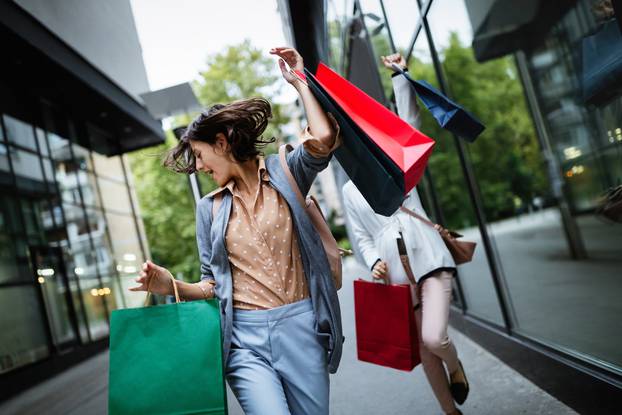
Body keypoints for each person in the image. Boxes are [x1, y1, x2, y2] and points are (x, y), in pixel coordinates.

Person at [130, 46, 342, 415]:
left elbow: (323, 139)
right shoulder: (209, 209)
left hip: (301, 327)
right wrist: (171, 285)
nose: (198, 166)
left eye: (199, 155)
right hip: (243, 341)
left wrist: (299, 82)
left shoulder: (287, 173)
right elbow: (212, 284)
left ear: (222, 143)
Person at [342, 53, 469, 415]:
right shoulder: (351, 192)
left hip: (429, 260)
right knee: (425, 351)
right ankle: (451, 412)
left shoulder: (394, 163)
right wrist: (374, 262)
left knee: (434, 337)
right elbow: (362, 239)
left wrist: (400, 75)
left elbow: (409, 123)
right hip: (398, 279)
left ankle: (456, 365)